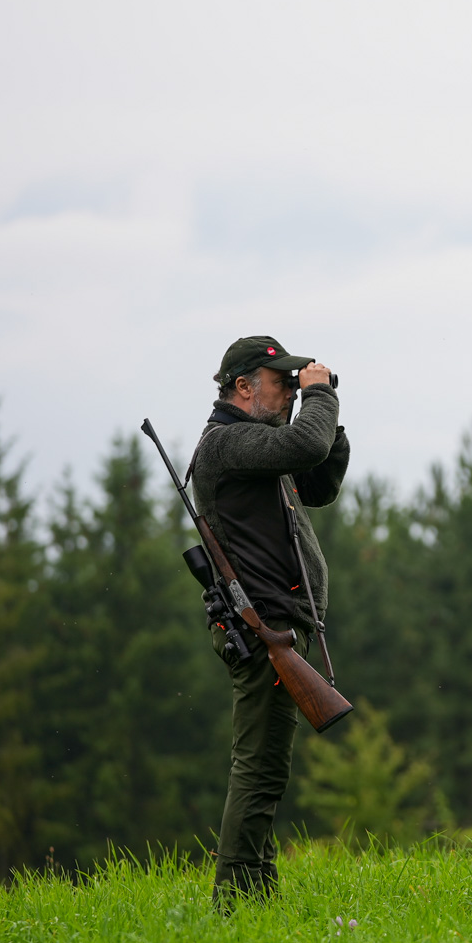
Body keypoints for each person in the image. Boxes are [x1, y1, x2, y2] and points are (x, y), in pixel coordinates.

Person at [189, 335, 350, 905]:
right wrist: (319, 405)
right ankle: (234, 900)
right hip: (263, 631)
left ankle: (258, 893)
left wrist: (328, 408)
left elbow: (317, 481)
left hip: (274, 627)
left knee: (265, 772)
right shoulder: (226, 445)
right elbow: (307, 445)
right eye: (281, 382)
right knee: (258, 772)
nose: (289, 392)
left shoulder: (254, 444)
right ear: (243, 386)